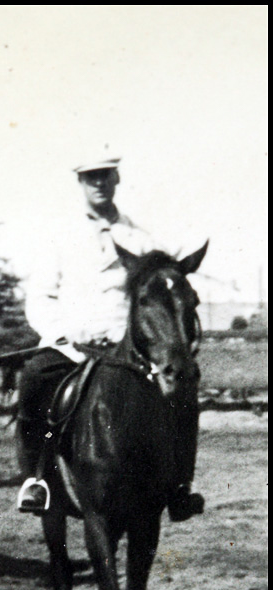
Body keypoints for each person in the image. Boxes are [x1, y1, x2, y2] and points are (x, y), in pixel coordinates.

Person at [17, 155, 204, 521]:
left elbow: (155, 300)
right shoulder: (59, 235)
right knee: (34, 378)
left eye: (105, 176)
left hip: (128, 351)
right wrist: (60, 334)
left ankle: (180, 487)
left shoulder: (141, 237)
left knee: (184, 394)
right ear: (81, 183)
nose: (99, 183)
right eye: (91, 177)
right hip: (71, 346)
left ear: (117, 178)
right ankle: (35, 479)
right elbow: (39, 296)